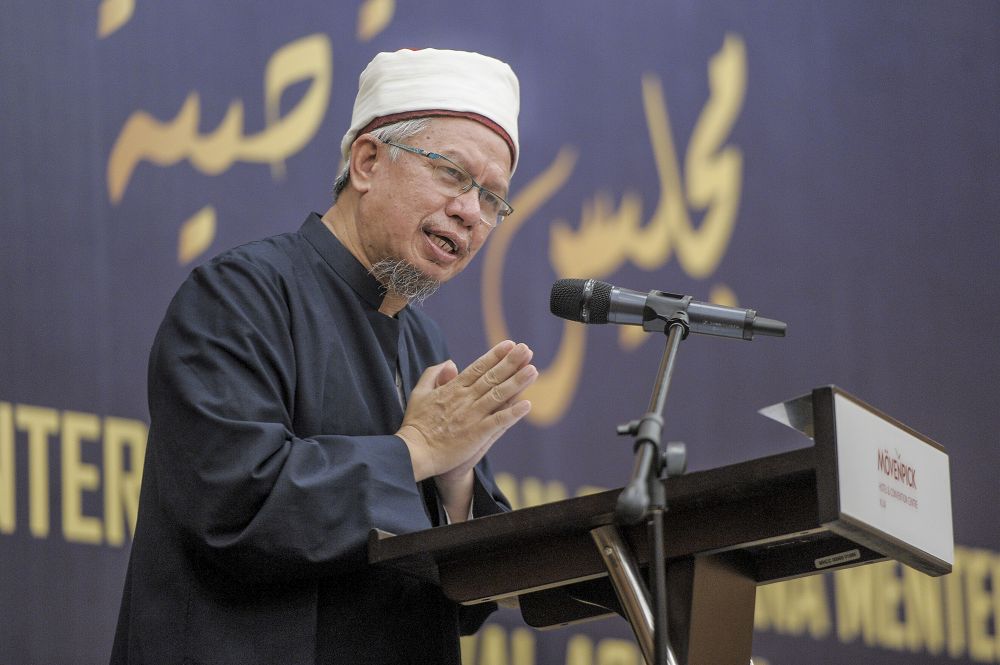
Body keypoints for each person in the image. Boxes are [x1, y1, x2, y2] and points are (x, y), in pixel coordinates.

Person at [110, 48, 537, 665]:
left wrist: (455, 483)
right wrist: (417, 450)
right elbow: (235, 510)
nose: (471, 212)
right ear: (367, 162)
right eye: (452, 173)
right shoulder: (239, 296)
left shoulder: (426, 347)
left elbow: (463, 602)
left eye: (493, 198)